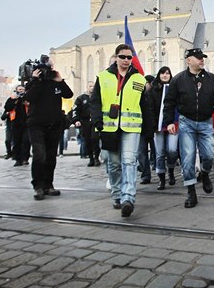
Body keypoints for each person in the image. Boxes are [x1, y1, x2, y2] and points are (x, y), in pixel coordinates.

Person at [163, 48, 214, 208]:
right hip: (186, 122)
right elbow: (169, 102)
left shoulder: (211, 79)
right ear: (188, 60)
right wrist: (169, 121)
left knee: (209, 155)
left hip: (205, 122)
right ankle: (191, 191)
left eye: (202, 57)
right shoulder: (178, 80)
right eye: (198, 58)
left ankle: (205, 173)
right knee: (188, 157)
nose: (202, 60)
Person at [90, 44, 153, 217]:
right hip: (109, 127)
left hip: (131, 127)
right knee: (114, 164)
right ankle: (117, 194)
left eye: (129, 57)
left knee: (129, 161)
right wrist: (97, 122)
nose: (126, 60)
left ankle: (128, 198)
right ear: (116, 57)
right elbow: (95, 101)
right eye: (122, 57)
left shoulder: (139, 79)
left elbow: (143, 104)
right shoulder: (103, 77)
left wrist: (149, 128)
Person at [23, 58, 74, 200]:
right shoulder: (34, 84)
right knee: (39, 154)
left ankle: (48, 184)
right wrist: (36, 80)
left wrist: (60, 80)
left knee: (51, 157)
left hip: (54, 124)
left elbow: (69, 94)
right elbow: (29, 97)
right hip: (36, 125)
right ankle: (38, 186)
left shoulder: (55, 83)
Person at [147, 66, 179, 190]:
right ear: (159, 75)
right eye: (162, 73)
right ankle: (161, 179)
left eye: (167, 73)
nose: (165, 75)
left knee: (172, 150)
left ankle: (170, 170)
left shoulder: (174, 89)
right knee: (159, 153)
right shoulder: (153, 90)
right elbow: (150, 108)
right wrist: (153, 125)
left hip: (172, 124)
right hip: (158, 126)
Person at [72, 81, 101, 166]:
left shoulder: (98, 97)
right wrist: (76, 120)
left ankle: (96, 157)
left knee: (95, 138)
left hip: (95, 122)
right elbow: (75, 110)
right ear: (87, 87)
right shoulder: (81, 98)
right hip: (85, 122)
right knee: (87, 140)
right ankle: (91, 158)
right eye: (90, 86)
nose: (92, 88)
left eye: (93, 86)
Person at [4, 85, 31, 167]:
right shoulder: (12, 98)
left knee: (26, 141)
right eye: (19, 89)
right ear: (16, 90)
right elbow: (7, 108)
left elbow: (35, 107)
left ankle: (25, 158)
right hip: (16, 124)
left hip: (27, 123)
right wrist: (14, 100)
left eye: (22, 89)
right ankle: (18, 159)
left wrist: (28, 104)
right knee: (17, 142)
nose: (21, 91)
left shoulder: (28, 97)